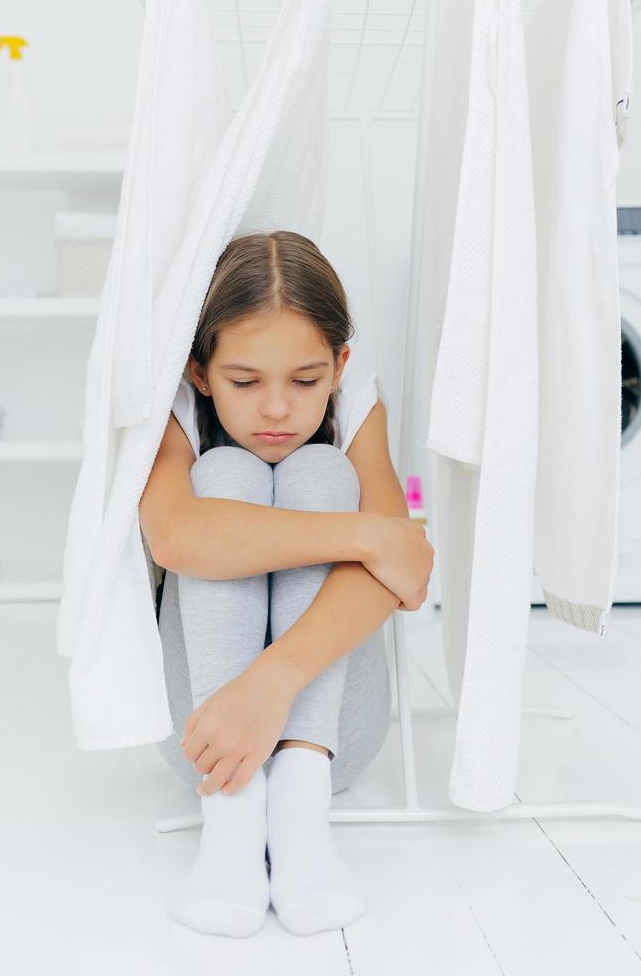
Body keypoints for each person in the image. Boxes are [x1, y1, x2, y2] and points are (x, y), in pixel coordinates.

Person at [137, 230, 434, 938]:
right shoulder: (173, 401)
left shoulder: (355, 398)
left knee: (321, 472)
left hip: (331, 741)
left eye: (306, 382)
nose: (277, 410)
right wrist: (366, 533)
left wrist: (269, 686)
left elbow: (411, 574)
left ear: (339, 364)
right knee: (223, 477)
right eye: (245, 382)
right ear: (200, 373)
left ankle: (299, 817)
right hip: (205, 738)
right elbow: (175, 535)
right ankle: (231, 822)